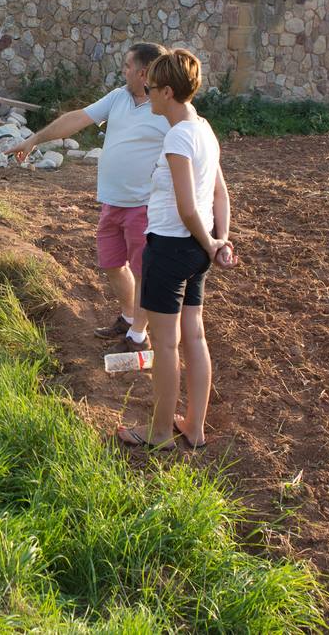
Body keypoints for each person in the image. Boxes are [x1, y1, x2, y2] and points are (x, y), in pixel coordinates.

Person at [6, 43, 170, 348]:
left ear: (143, 72)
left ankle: (139, 335)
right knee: (111, 263)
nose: (123, 71)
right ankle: (130, 316)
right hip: (112, 202)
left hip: (145, 206)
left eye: (126, 66)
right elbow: (77, 118)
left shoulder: (166, 108)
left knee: (143, 272)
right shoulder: (119, 97)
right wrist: (34, 139)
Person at [116, 48, 237, 452]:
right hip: (196, 252)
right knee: (195, 338)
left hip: (170, 247)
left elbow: (187, 208)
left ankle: (161, 432)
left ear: (168, 91)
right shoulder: (203, 127)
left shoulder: (178, 136)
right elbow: (220, 194)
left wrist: (210, 241)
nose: (146, 93)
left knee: (166, 346)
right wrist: (218, 242)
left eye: (150, 88)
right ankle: (195, 429)